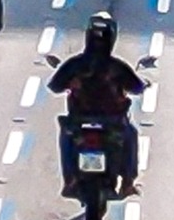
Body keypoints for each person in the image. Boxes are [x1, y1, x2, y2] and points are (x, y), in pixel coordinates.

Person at [48, 12, 146, 198]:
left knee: (66, 136)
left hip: (79, 121)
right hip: (113, 122)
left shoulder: (75, 64)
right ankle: (127, 183)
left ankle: (70, 180)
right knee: (130, 136)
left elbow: (55, 86)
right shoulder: (117, 67)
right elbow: (137, 87)